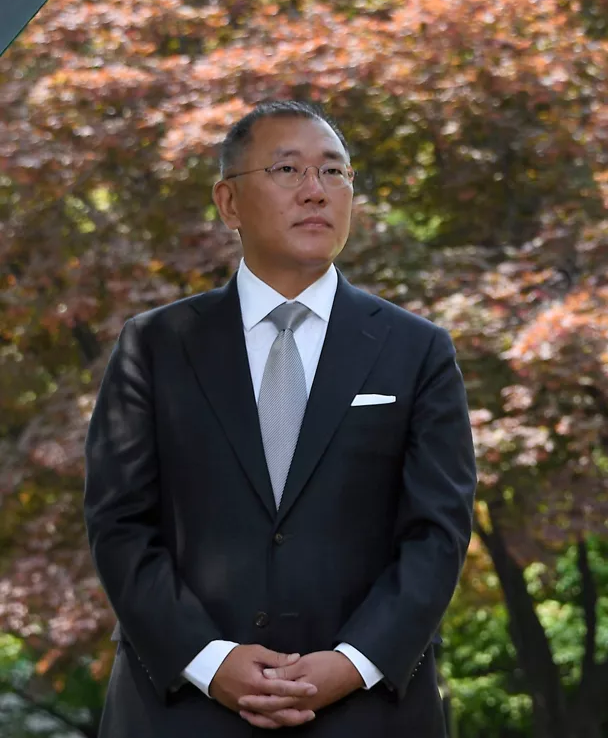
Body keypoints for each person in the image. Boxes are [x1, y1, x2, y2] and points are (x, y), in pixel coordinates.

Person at [83, 100, 479, 736]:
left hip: (367, 711)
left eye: (335, 173)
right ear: (229, 203)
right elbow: (119, 523)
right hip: (181, 709)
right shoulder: (154, 345)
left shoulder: (417, 350)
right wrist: (211, 662)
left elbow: (438, 532)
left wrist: (351, 665)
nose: (316, 192)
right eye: (289, 170)